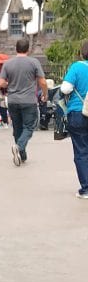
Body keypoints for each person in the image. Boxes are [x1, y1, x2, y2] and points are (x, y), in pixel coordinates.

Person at [0, 36, 46, 167]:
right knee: (29, 127)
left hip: (13, 100)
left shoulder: (8, 63)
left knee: (17, 128)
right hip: (29, 100)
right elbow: (42, 81)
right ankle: (19, 147)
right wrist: (45, 94)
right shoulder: (34, 62)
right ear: (28, 49)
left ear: (16, 48)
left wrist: (11, 85)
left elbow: (0, 83)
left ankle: (22, 155)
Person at [60, 39, 88, 198]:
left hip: (79, 113)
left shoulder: (77, 67)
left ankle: (86, 188)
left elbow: (65, 88)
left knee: (82, 151)